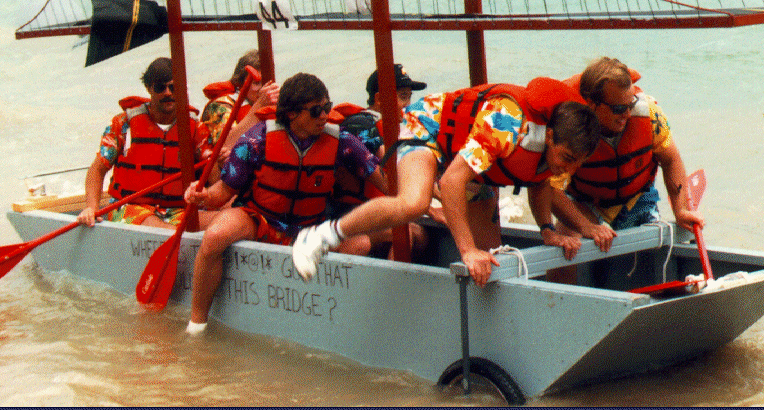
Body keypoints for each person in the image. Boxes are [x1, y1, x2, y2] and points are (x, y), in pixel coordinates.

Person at [292, 78, 604, 287]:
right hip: (428, 127)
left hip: (469, 155)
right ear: (549, 136)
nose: (568, 168)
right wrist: (466, 250)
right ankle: (321, 236)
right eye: (566, 158)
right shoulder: (506, 124)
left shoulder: (555, 146)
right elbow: (454, 180)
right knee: (413, 204)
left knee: (491, 261)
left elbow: (539, 181)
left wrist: (549, 230)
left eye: (577, 163)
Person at [182, 72, 383, 332]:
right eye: (316, 111)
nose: (324, 116)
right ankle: (197, 325)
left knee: (360, 244)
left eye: (327, 107)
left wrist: (424, 198)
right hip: (260, 219)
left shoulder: (342, 141)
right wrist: (201, 196)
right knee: (214, 237)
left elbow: (383, 180)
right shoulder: (256, 140)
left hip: (309, 228)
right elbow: (222, 192)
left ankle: (329, 322)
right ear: (291, 114)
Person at [549, 57, 704, 253]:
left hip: (637, 201)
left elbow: (671, 160)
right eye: (619, 109)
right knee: (566, 238)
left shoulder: (649, 115)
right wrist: (586, 227)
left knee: (657, 252)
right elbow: (551, 189)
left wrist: (680, 210)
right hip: (587, 203)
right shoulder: (573, 127)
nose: (628, 114)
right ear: (592, 104)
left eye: (630, 104)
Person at [76, 57, 213, 230]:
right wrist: (91, 207)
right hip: (129, 208)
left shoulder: (196, 129)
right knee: (167, 230)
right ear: (149, 88)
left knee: (223, 221)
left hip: (177, 211)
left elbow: (212, 173)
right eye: (160, 87)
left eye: (173, 87)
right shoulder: (123, 124)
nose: (168, 93)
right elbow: (97, 170)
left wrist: (221, 159)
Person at [328, 64, 429, 258]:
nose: (408, 105)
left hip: (377, 217)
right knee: (405, 233)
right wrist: (430, 209)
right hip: (348, 217)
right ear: (380, 99)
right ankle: (396, 277)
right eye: (403, 97)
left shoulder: (397, 130)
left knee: (421, 235)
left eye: (410, 97)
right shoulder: (360, 126)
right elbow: (395, 170)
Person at [200, 49, 280, 166]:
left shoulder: (274, 107)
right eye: (256, 83)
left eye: (266, 83)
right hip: (220, 170)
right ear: (240, 83)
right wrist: (259, 106)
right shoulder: (220, 106)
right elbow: (225, 149)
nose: (263, 89)